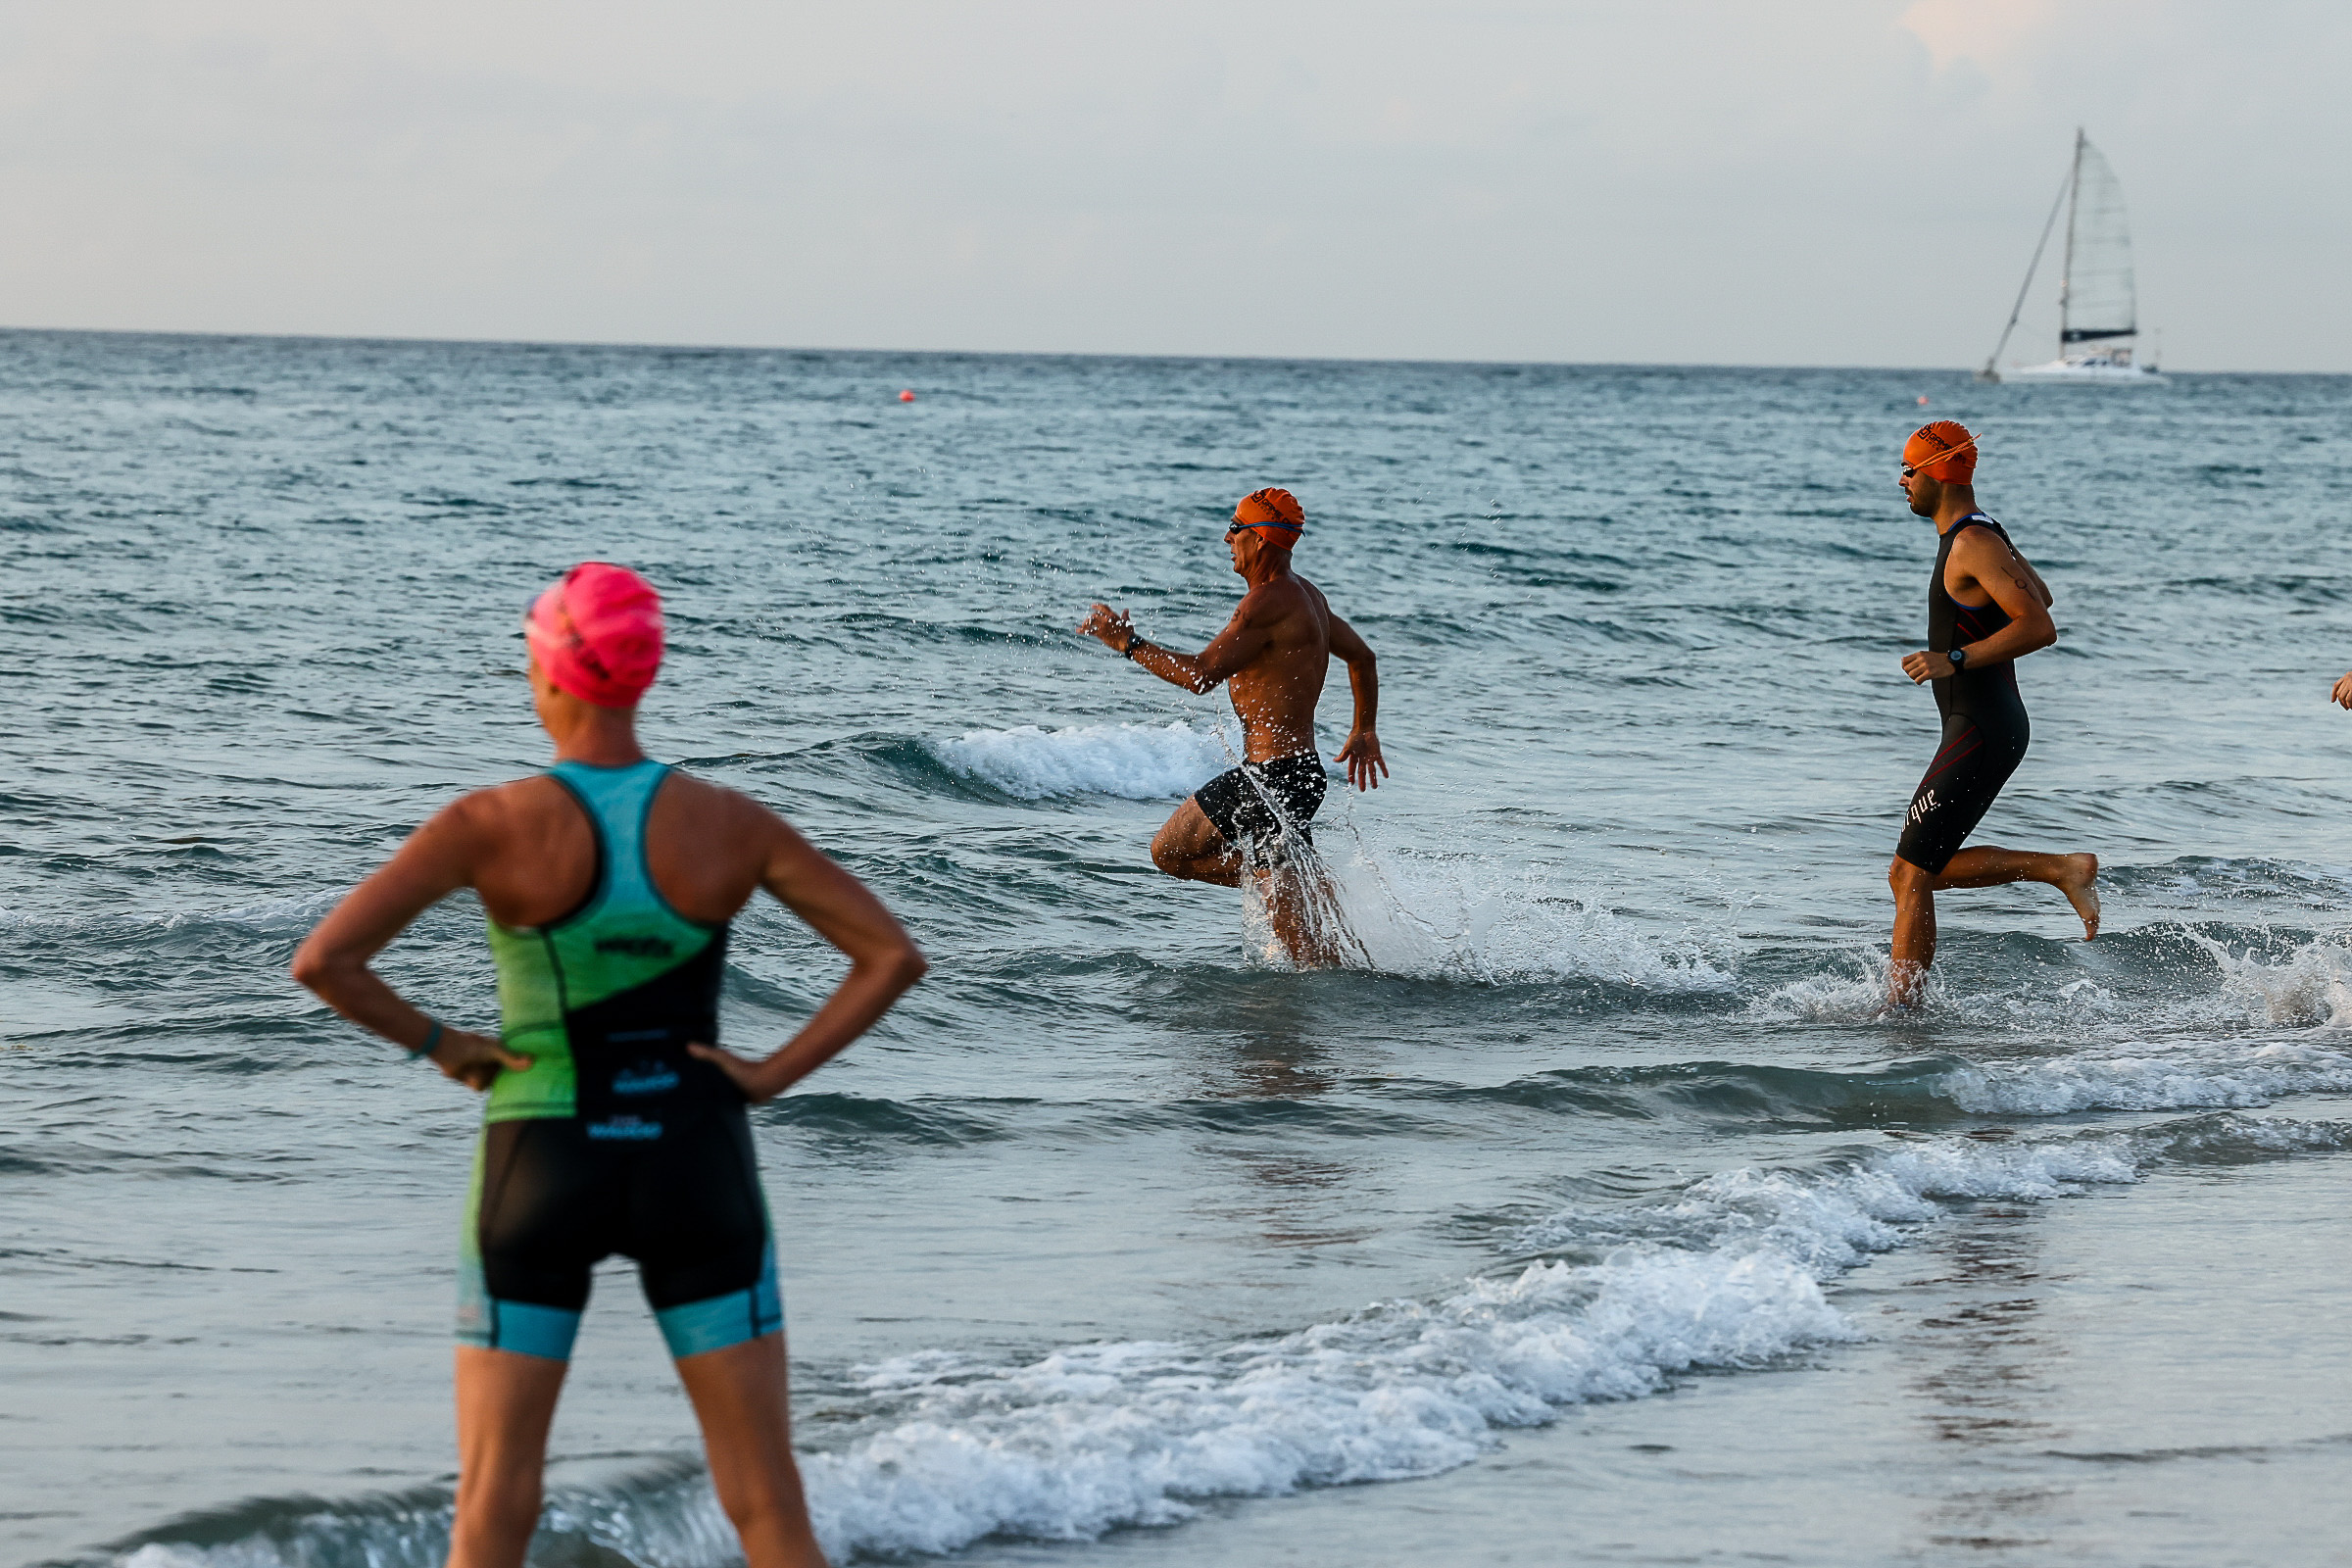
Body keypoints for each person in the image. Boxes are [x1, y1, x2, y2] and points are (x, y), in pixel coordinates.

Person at [291, 563, 925, 1568]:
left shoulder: (487, 823)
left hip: (539, 1156)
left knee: (495, 1505)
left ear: (548, 670)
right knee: (765, 1501)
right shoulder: (729, 822)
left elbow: (325, 961)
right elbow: (890, 955)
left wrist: (447, 1045)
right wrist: (767, 1074)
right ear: (645, 669)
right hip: (697, 1160)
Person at [1076, 487, 1386, 965]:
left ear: (1260, 539)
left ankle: (1298, 886)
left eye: (1235, 528)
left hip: (1271, 779)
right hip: (1297, 775)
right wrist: (1363, 729)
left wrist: (1128, 644)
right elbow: (1362, 658)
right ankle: (1300, 886)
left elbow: (1200, 676)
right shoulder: (1308, 596)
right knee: (1309, 951)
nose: (1227, 538)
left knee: (1169, 853)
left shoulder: (1266, 605)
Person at [1887, 422, 2099, 1008]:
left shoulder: (1972, 542)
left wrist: (1952, 658)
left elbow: (2039, 625)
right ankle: (2060, 867)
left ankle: (1901, 1015)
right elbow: (2043, 595)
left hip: (1983, 727)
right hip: (1985, 725)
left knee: (1909, 875)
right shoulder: (1979, 533)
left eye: (1908, 470)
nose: (1901, 481)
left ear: (1936, 474)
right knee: (1917, 870)